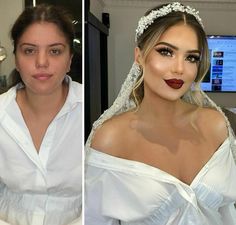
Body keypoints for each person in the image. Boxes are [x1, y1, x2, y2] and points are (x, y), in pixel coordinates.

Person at [85, 2, 236, 225]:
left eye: (191, 57)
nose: (179, 68)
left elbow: (227, 212)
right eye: (166, 52)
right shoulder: (111, 138)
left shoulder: (215, 125)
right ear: (139, 56)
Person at [0, 4, 82, 225]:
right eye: (29, 50)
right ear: (16, 59)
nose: (42, 62)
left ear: (69, 60)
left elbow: (101, 194)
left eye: (55, 51)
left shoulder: (92, 111)